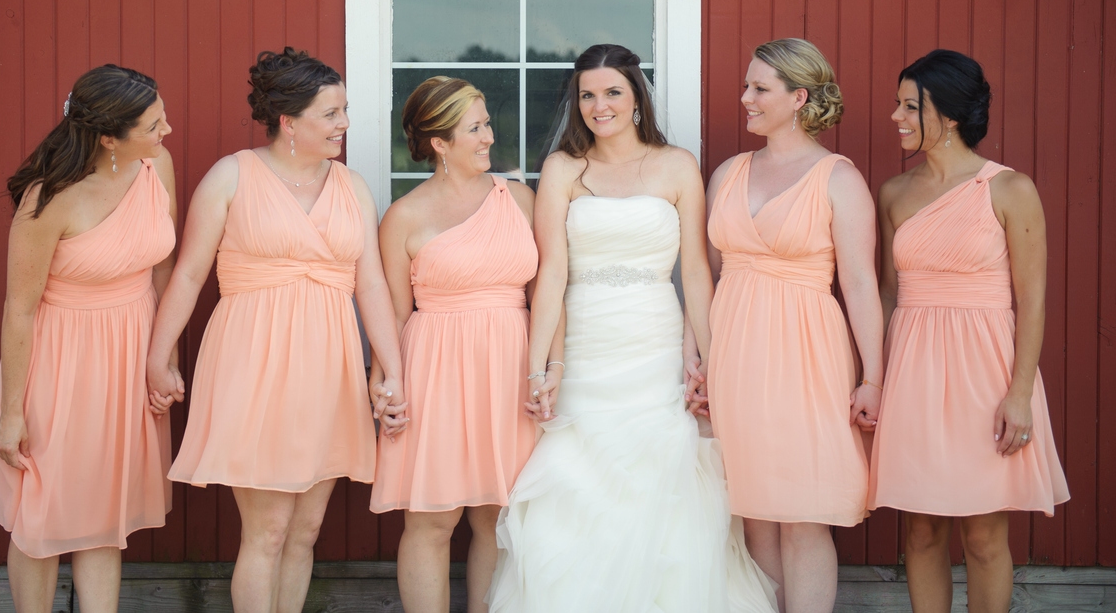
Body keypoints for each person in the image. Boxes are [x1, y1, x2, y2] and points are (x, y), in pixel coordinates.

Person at [488, 44, 777, 613]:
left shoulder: (676, 165)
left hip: (655, 340)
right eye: (588, 95)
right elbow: (551, 275)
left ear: (637, 97)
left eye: (613, 92)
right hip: (585, 346)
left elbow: (695, 271)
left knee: (660, 478)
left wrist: (712, 362)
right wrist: (540, 364)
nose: (600, 106)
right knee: (579, 479)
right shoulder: (563, 168)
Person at [145, 48, 407, 613]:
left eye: (343, 111)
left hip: (330, 369)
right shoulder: (231, 176)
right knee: (265, 532)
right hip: (254, 363)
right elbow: (189, 274)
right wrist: (159, 354)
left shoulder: (351, 185)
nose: (344, 124)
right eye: (331, 113)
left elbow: (373, 287)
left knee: (305, 531)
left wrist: (394, 370)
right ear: (289, 121)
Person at [868, 49, 1068, 613]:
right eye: (898, 104)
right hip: (915, 374)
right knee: (921, 534)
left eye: (911, 106)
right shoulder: (893, 193)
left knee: (983, 537)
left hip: (986, 374)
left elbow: (1031, 300)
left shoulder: (1009, 189)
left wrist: (1020, 394)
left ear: (950, 115)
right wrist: (876, 378)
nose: (897, 117)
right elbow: (888, 292)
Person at [705, 38, 881, 613]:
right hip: (734, 352)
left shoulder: (838, 179)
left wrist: (873, 378)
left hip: (806, 356)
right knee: (755, 514)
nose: (745, 98)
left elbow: (859, 286)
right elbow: (703, 278)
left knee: (804, 514)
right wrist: (697, 357)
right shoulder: (729, 173)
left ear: (798, 97)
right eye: (747, 85)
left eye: (760, 88)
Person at [0, 65, 176, 612]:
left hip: (130, 352)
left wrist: (159, 357)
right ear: (106, 136)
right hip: (60, 363)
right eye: (153, 124)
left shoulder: (155, 164)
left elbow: (162, 266)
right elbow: (19, 310)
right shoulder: (47, 200)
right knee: (40, 516)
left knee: (103, 511)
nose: (167, 131)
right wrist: (11, 413)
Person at [371, 77, 538, 613]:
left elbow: (548, 293)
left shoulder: (519, 198)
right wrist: (385, 380)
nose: (489, 136)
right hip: (435, 370)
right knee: (431, 518)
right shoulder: (404, 217)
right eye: (475, 128)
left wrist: (547, 368)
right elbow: (394, 315)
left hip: (511, 366)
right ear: (439, 143)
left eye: (487, 122)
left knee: (496, 514)